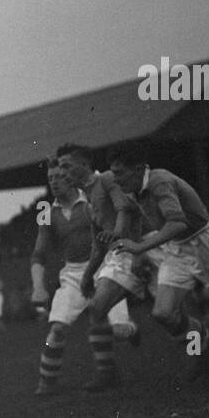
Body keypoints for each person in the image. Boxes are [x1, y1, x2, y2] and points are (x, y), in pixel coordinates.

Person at [107, 143, 209, 380]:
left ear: (138, 169)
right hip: (178, 249)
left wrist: (140, 247)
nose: (115, 179)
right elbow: (132, 212)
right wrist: (138, 253)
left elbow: (178, 222)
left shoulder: (159, 181)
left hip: (208, 245)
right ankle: (207, 352)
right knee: (162, 313)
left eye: (119, 172)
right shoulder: (133, 188)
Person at [30, 162, 137, 395]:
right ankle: (46, 381)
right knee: (57, 328)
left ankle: (128, 335)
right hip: (73, 273)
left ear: (70, 177)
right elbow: (39, 252)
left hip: (105, 265)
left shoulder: (90, 200)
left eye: (59, 176)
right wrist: (38, 286)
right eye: (50, 178)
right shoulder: (46, 211)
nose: (54, 182)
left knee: (118, 331)